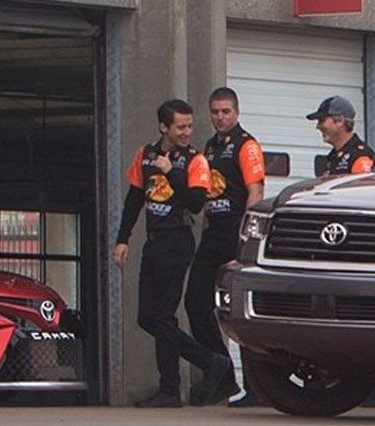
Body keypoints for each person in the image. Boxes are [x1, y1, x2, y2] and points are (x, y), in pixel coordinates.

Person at [113, 98, 233, 408]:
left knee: (164, 315)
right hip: (153, 241)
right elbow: (134, 199)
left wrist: (172, 173)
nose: (186, 132)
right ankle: (211, 362)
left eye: (190, 126)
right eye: (180, 127)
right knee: (147, 319)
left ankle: (170, 389)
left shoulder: (195, 160)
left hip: (178, 240)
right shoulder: (146, 154)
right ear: (163, 127)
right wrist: (122, 239)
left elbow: (195, 202)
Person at [307, 95, 375, 408]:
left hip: (356, 250)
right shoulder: (334, 157)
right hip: (335, 247)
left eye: (324, 119)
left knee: (362, 315)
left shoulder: (359, 158)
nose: (320, 126)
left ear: (341, 121)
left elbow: (363, 202)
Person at [184, 87, 264, 407]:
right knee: (195, 303)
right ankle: (223, 377)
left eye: (226, 112)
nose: (220, 117)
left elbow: (255, 191)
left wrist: (246, 237)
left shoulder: (247, 145)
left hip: (236, 234)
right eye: (215, 112)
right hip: (213, 233)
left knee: (240, 312)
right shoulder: (209, 147)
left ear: (237, 112)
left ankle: (257, 388)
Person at [307, 96, 375, 176]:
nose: (318, 126)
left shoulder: (360, 155)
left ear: (339, 121)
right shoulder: (333, 156)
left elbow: (362, 187)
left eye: (322, 121)